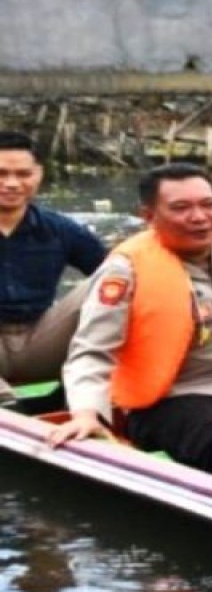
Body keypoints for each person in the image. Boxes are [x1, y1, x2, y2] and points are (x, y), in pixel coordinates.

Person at [46, 163, 212, 490]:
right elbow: (91, 351)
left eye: (208, 205)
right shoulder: (126, 269)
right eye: (181, 208)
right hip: (177, 396)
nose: (199, 217)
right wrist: (86, 414)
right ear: (148, 216)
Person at [0, 130, 107, 404]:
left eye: (23, 174)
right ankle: (7, 408)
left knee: (116, 281)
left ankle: (87, 389)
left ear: (39, 174)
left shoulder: (60, 229)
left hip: (42, 339)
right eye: (1, 174)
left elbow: (113, 270)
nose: (11, 184)